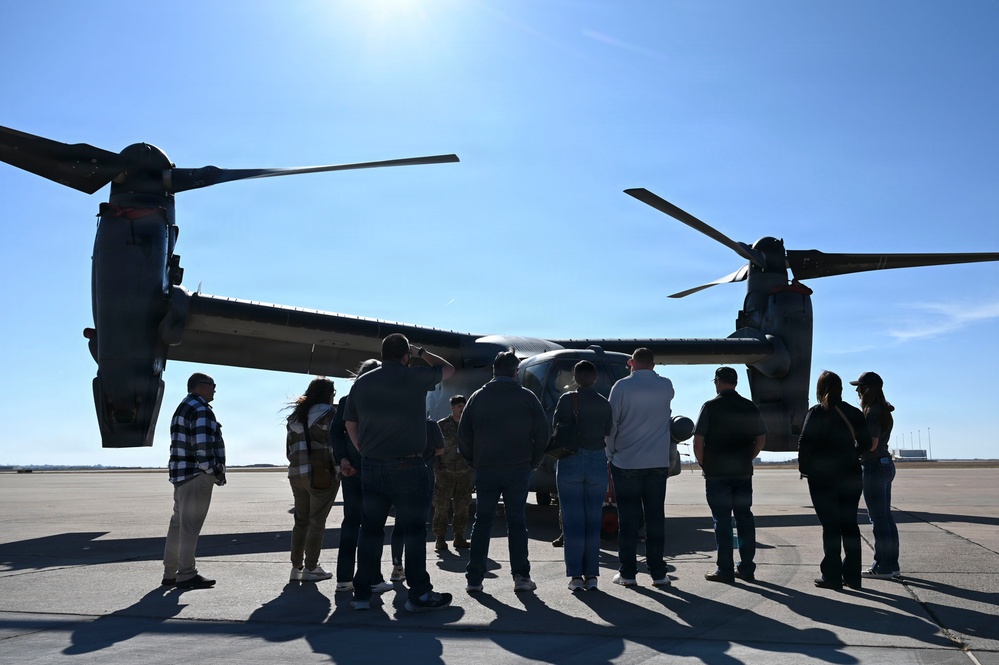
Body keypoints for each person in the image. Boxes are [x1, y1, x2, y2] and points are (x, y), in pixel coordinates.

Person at [344, 333, 455, 612]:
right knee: (414, 530)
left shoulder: (362, 383)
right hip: (409, 465)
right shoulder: (414, 376)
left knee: (370, 530)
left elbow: (350, 423)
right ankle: (418, 594)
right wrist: (421, 351)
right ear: (405, 356)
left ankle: (361, 594)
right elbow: (448, 368)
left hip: (372, 466)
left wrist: (365, 450)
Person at [459, 349, 550, 593]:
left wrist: (472, 460)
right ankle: (521, 576)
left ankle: (475, 579)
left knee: (482, 522)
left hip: (486, 468)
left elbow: (464, 435)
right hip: (518, 468)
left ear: (493, 371)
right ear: (515, 372)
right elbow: (543, 433)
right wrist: (533, 460)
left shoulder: (477, 397)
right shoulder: (527, 397)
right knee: (517, 523)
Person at [605, 347, 675, 588]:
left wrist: (611, 451)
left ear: (630, 362)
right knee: (655, 518)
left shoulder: (621, 387)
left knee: (628, 519)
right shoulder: (666, 386)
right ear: (654, 365)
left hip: (626, 462)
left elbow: (612, 423)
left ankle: (628, 573)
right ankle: (658, 573)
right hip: (657, 462)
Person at [797, 370, 872, 590]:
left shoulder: (817, 413)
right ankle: (853, 577)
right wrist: (849, 453)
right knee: (850, 525)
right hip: (850, 474)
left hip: (823, 477)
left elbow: (805, 444)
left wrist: (806, 469)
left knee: (830, 526)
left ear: (820, 389)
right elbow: (866, 444)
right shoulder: (853, 413)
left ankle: (832, 576)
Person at [692, 367, 767, 584]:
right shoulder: (749, 406)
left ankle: (724, 569)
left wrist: (704, 463)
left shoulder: (710, 407)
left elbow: (698, 441)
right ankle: (746, 568)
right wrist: (748, 458)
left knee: (722, 521)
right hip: (742, 473)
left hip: (717, 475)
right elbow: (761, 439)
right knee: (744, 518)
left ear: (718, 381)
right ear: (735, 382)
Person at [329, 360, 392, 594]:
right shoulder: (384, 402)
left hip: (351, 471)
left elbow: (335, 434)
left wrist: (343, 459)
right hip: (374, 471)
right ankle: (373, 577)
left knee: (351, 523)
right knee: (373, 526)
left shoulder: (346, 401)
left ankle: (344, 578)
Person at [162, 372, 226, 589]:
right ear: (202, 387)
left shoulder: (183, 407)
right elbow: (202, 446)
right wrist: (214, 471)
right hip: (196, 475)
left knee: (177, 524)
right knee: (190, 527)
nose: (215, 389)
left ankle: (170, 572)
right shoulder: (200, 410)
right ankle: (187, 573)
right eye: (213, 385)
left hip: (180, 474)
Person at [554, 360, 613, 592]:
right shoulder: (604, 403)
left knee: (572, 521)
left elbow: (556, 427)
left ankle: (576, 576)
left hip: (570, 461)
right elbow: (608, 431)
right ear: (595, 377)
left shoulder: (567, 400)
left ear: (575, 378)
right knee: (593, 520)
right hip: (597, 460)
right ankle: (592, 576)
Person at [285, 378, 340, 582]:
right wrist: (339, 470)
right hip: (321, 475)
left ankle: (296, 567)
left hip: (296, 473)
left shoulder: (295, 417)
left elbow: (288, 448)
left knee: (301, 521)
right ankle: (311, 567)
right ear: (328, 394)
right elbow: (333, 445)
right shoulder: (329, 414)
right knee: (317, 521)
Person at [851, 371, 900, 579]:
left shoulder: (871, 412)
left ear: (866, 389)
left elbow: (871, 444)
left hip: (873, 466)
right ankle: (892, 563)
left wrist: (852, 451)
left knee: (878, 518)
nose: (857, 390)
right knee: (886, 517)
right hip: (885, 464)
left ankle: (882, 566)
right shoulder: (884, 410)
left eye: (859, 386)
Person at [390, 419, 444, 574]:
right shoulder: (431, 425)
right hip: (424, 472)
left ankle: (397, 566)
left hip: (400, 473)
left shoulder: (398, 424)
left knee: (400, 523)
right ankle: (416, 570)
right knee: (419, 525)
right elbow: (440, 449)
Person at [432, 395, 474, 551]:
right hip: (445, 473)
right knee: (441, 507)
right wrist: (436, 467)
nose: (461, 409)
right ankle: (440, 538)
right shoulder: (441, 425)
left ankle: (459, 537)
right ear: (452, 407)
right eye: (458, 406)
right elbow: (434, 447)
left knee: (462, 507)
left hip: (464, 473)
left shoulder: (469, 426)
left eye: (463, 405)